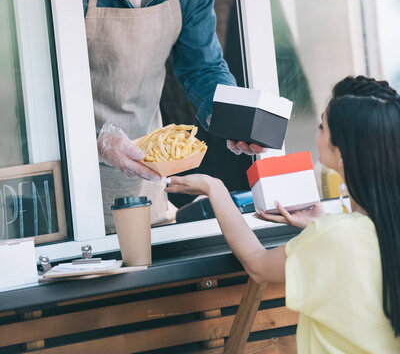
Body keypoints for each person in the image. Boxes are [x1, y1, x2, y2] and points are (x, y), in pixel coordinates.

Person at [77, 0, 263, 231]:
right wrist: (95, 140)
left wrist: (234, 119)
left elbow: (201, 66)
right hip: (72, 179)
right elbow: (35, 89)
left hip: (146, 177)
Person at [166, 75, 400, 353]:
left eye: (322, 127)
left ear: (342, 155)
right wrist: (323, 225)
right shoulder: (356, 232)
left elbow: (257, 263)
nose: (317, 132)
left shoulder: (334, 237)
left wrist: (214, 188)